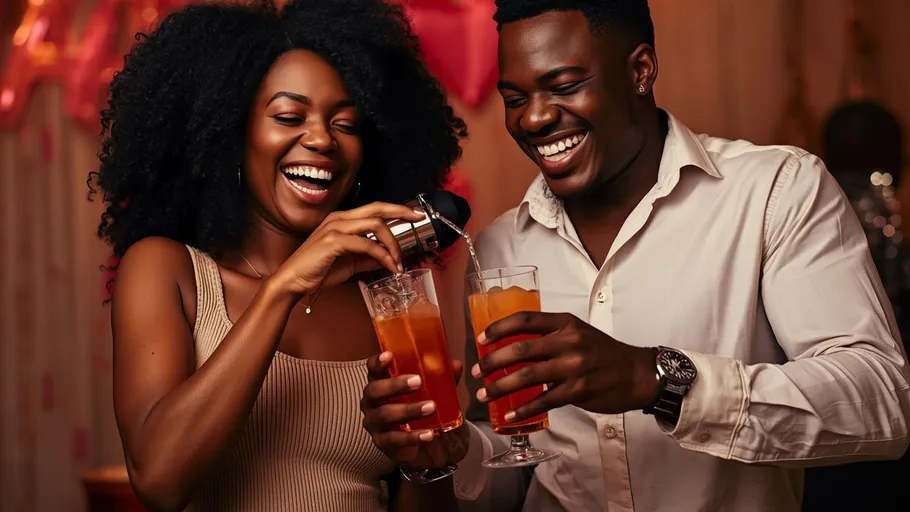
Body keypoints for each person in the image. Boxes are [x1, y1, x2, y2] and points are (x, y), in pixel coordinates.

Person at [360, 1, 910, 511]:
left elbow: (879, 401)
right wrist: (450, 455)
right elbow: (513, 466)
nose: (533, 119)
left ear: (641, 70)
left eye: (565, 85)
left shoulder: (774, 191)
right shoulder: (504, 245)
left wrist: (658, 379)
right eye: (515, 98)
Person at [89, 1, 467, 511]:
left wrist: (428, 464)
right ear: (229, 132)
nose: (321, 140)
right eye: (289, 116)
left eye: (347, 125)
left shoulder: (389, 295)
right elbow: (158, 479)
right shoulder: (167, 270)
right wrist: (284, 286)